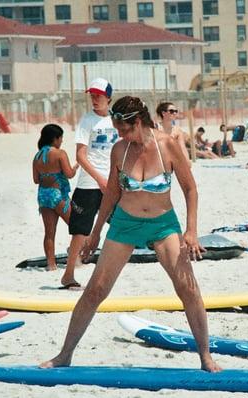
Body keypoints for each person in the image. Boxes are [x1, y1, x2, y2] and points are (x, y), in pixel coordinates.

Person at [40, 96, 221, 373]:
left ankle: (206, 357)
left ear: (138, 122)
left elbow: (190, 189)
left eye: (123, 129)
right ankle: (64, 355)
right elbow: (112, 192)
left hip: (163, 224)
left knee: (188, 287)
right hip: (125, 224)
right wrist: (96, 232)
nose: (120, 135)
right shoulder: (120, 150)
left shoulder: (167, 145)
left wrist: (191, 231)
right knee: (95, 290)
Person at [62, 78, 118, 290]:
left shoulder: (115, 120)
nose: (94, 99)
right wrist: (99, 178)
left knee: (119, 225)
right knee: (81, 231)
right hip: (89, 184)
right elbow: (81, 156)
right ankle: (68, 275)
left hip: (112, 182)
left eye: (99, 96)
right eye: (92, 95)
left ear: (108, 98)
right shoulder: (87, 121)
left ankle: (105, 275)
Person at [32, 124, 79, 271]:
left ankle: (51, 265)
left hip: (43, 195)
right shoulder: (60, 154)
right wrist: (76, 167)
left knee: (49, 233)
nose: (62, 141)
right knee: (77, 227)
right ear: (55, 138)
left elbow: (36, 180)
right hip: (58, 194)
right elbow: (69, 174)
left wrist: (48, 175)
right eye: (61, 138)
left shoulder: (37, 156)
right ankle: (74, 255)